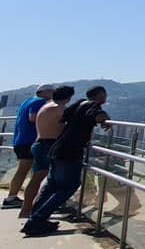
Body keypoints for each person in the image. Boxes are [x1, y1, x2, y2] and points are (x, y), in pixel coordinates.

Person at [22, 85, 110, 236]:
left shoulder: (78, 103)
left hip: (57, 148)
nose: (105, 97)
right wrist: (105, 119)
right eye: (104, 94)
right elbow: (96, 115)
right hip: (70, 152)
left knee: (52, 186)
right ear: (100, 96)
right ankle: (37, 219)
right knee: (70, 185)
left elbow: (66, 116)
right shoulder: (93, 105)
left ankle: (34, 218)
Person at [18, 85, 75, 218]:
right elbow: (70, 127)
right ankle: (38, 210)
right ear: (68, 97)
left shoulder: (46, 107)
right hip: (49, 145)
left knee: (38, 178)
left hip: (39, 143)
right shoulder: (59, 109)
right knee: (55, 179)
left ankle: (27, 209)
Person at [2, 84, 55, 209]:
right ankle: (25, 201)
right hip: (30, 141)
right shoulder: (40, 102)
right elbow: (33, 117)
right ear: (44, 92)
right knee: (37, 172)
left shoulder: (27, 101)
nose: (53, 95)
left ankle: (12, 197)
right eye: (52, 92)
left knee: (22, 170)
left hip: (20, 140)